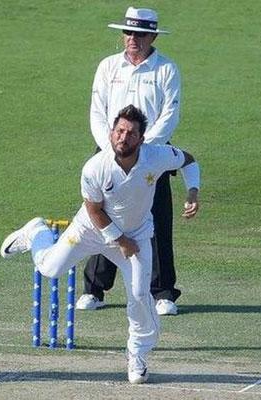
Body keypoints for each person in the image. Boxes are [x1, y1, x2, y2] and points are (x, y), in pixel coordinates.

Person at [0, 105, 201, 384]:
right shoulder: (95, 167)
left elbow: (189, 161)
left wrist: (192, 191)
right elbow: (94, 210)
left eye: (131, 133)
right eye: (119, 131)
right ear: (110, 134)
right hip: (90, 229)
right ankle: (37, 232)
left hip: (138, 234)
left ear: (142, 139)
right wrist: (120, 241)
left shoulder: (157, 156)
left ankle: (137, 354)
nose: (123, 137)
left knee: (141, 296)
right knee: (50, 268)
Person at [79, 7, 185, 316]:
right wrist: (111, 147)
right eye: (128, 33)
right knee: (102, 216)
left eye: (139, 34)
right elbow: (97, 111)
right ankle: (95, 288)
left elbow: (170, 115)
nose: (132, 39)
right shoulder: (108, 67)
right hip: (109, 152)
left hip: (151, 154)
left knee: (157, 218)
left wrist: (144, 149)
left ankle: (163, 292)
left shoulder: (166, 69)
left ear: (152, 36)